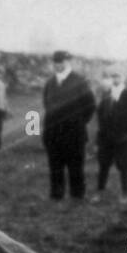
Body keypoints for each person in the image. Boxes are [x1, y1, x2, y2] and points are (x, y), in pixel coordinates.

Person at [41, 50, 96, 201]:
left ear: (68, 62)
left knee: (75, 166)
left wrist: (78, 121)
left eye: (62, 62)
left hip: (74, 133)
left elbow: (90, 105)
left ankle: (77, 194)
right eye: (56, 62)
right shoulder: (50, 83)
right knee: (55, 166)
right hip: (53, 132)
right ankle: (57, 194)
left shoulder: (79, 81)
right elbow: (46, 104)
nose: (58, 65)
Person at [93, 67, 127, 200]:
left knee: (124, 167)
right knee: (103, 165)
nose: (115, 79)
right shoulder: (107, 94)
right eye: (113, 77)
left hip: (122, 138)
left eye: (118, 76)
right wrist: (101, 131)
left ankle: (125, 193)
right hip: (106, 138)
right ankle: (100, 191)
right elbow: (99, 113)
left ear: (123, 78)